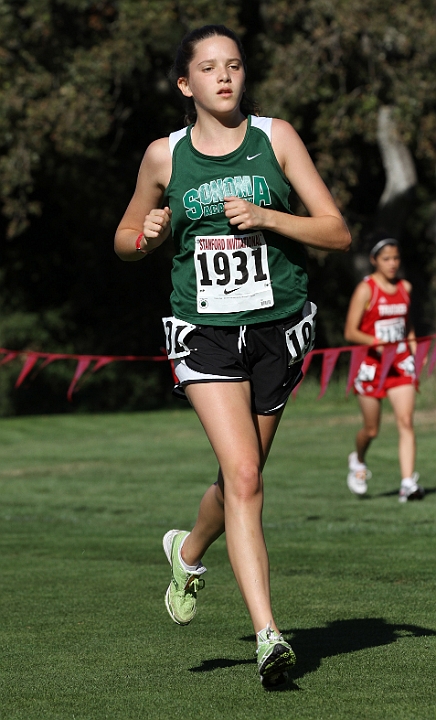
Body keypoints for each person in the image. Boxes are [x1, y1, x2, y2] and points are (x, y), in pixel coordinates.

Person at [115, 24, 351, 689]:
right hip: (204, 332)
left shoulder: (275, 139)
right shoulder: (164, 157)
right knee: (245, 476)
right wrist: (147, 235)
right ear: (186, 85)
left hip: (277, 330)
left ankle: (187, 550)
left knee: (239, 478)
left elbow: (335, 230)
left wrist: (271, 218)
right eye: (209, 68)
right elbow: (125, 237)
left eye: (235, 65)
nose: (224, 76)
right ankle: (269, 636)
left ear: (244, 77)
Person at [344, 237, 425, 503]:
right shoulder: (366, 289)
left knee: (405, 421)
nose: (392, 264)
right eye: (386, 259)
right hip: (371, 366)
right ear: (374, 261)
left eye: (396, 258)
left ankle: (407, 483)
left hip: (400, 363)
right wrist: (376, 343)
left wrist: (414, 353)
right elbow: (350, 331)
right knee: (371, 430)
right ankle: (358, 460)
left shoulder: (405, 287)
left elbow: (407, 324)